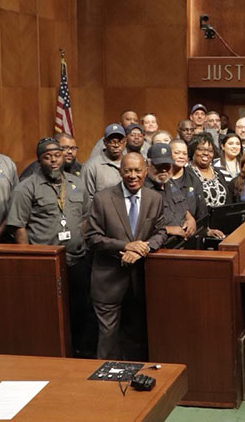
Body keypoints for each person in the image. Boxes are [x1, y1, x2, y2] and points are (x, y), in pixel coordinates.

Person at [7, 137, 95, 357]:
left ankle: (79, 354)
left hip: (77, 260)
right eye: (48, 157)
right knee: (49, 314)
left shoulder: (76, 183)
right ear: (39, 161)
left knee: (80, 311)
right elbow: (19, 228)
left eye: (57, 155)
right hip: (47, 266)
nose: (54, 161)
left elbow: (85, 218)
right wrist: (29, 263)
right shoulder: (26, 188)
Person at [86, 152, 167, 360]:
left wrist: (143, 249)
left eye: (138, 170)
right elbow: (92, 237)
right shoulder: (103, 199)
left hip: (140, 281)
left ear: (146, 171)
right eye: (128, 170)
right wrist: (126, 246)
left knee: (136, 337)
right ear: (120, 172)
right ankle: (106, 385)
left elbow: (161, 232)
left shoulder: (154, 198)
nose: (133, 175)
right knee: (108, 339)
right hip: (108, 281)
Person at [144, 143, 197, 243]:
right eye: (159, 166)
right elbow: (140, 227)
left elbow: (183, 206)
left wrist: (190, 219)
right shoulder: (143, 191)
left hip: (183, 241)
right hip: (162, 245)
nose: (164, 170)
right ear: (148, 164)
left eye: (167, 165)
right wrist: (168, 229)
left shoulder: (171, 182)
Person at [168, 139, 210, 233]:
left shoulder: (193, 179)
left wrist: (206, 230)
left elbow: (201, 211)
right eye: (177, 153)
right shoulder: (162, 179)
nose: (181, 156)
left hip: (191, 231)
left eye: (184, 153)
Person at [187, 132, 230, 209]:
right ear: (193, 150)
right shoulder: (187, 173)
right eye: (201, 149)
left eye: (210, 151)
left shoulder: (218, 172)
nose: (206, 153)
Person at [82, 123, 125, 200]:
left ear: (125, 142)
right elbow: (87, 199)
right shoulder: (91, 166)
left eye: (119, 141)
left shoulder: (130, 163)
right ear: (105, 142)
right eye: (112, 141)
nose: (116, 145)